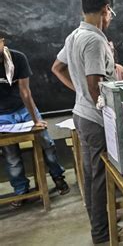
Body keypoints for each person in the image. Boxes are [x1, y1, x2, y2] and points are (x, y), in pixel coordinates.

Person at [51, 0, 123, 244]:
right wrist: (93, 97)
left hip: (80, 114)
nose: (109, 18)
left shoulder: (74, 35)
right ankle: (102, 234)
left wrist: (81, 92)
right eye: (110, 13)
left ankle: (103, 225)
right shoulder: (95, 39)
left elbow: (57, 68)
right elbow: (95, 84)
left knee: (91, 176)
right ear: (105, 9)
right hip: (96, 121)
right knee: (99, 178)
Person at [0, 35, 69, 208]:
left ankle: (58, 177)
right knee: (11, 156)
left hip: (24, 109)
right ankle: (21, 190)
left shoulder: (17, 58)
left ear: (2, 41)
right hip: (2, 115)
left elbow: (25, 92)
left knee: (47, 143)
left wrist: (35, 119)